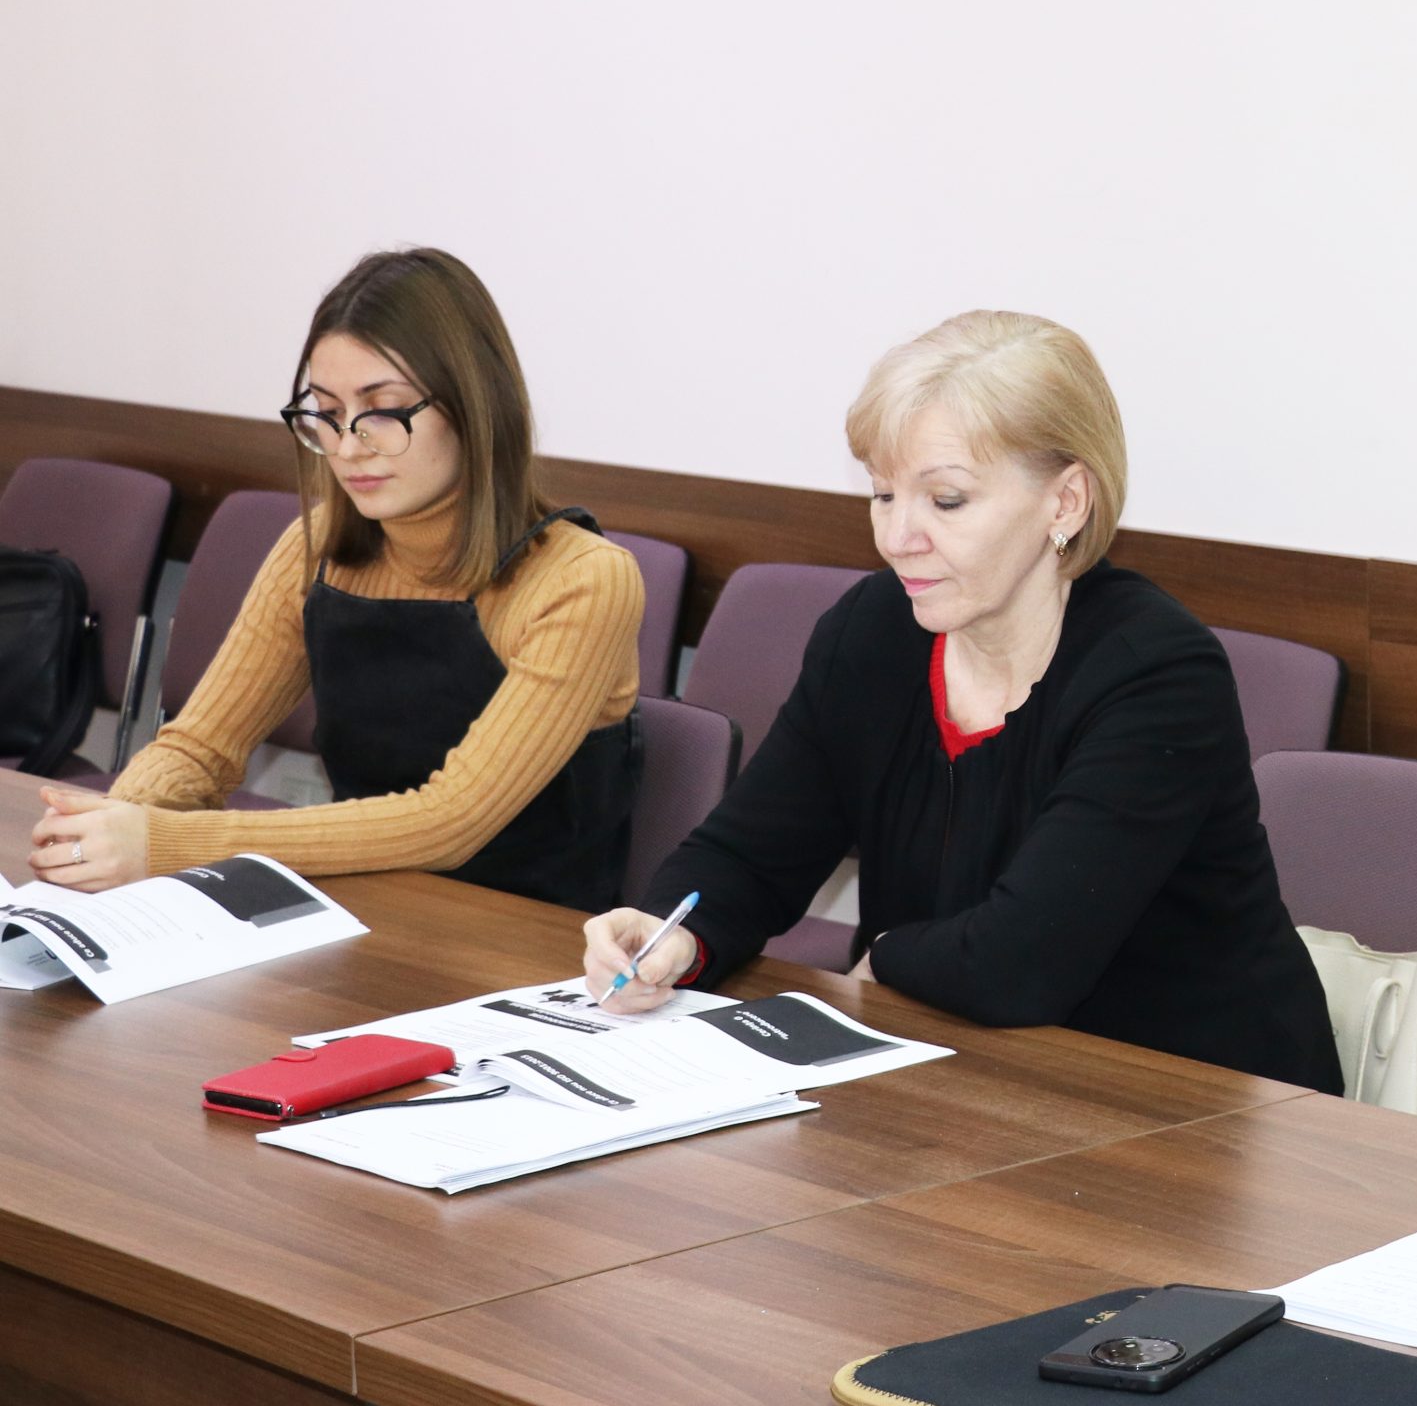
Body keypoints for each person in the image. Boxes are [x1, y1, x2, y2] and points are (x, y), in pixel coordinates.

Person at [580, 310, 1343, 1093]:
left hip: (1198, 1102)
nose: (897, 536)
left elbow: (1023, 962)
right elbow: (750, 855)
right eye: (883, 494)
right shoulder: (872, 632)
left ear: (1065, 502)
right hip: (968, 1071)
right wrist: (672, 932)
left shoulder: (1158, 673)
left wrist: (887, 953)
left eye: (945, 501)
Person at [26, 247, 645, 911]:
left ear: (475, 406)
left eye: (384, 410)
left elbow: (449, 822)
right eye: (325, 411)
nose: (348, 447)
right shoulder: (315, 545)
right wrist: (110, 823)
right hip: (358, 909)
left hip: (524, 937)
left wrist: (162, 842)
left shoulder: (585, 580)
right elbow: (200, 748)